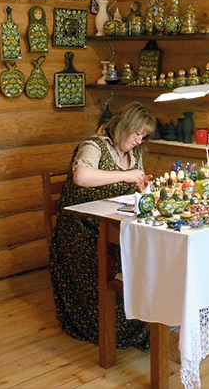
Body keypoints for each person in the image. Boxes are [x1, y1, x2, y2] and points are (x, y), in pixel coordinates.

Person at [50, 102, 155, 350]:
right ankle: (110, 329)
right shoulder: (94, 146)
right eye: (137, 134)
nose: (139, 140)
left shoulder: (134, 154)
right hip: (80, 230)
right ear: (125, 126)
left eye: (144, 136)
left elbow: (132, 186)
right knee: (114, 263)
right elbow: (82, 176)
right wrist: (126, 175)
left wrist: (141, 186)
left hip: (113, 224)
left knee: (146, 257)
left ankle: (146, 320)